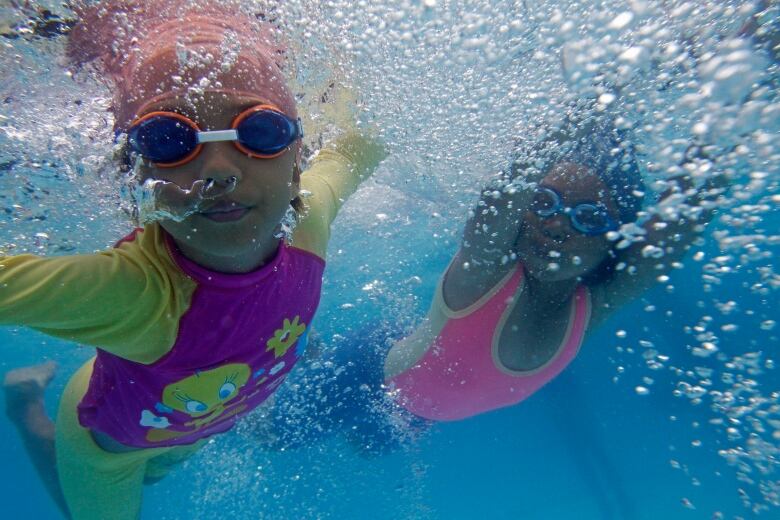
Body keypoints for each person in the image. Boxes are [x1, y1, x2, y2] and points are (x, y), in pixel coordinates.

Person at [0, 1, 384, 518]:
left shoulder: (310, 218)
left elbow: (363, 143)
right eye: (167, 140)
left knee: (159, 474)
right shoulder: (135, 293)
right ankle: (25, 407)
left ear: (298, 161)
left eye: (260, 133)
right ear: (130, 177)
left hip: (194, 417)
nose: (219, 172)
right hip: (110, 444)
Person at [258, 113, 727, 455]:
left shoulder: (592, 306)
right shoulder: (482, 275)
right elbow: (499, 199)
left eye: (587, 217)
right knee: (276, 436)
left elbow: (679, 223)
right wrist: (601, 100)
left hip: (417, 407)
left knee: (366, 447)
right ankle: (305, 356)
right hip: (372, 367)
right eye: (543, 203)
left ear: (614, 238)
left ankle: (312, 353)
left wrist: (728, 102)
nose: (556, 225)